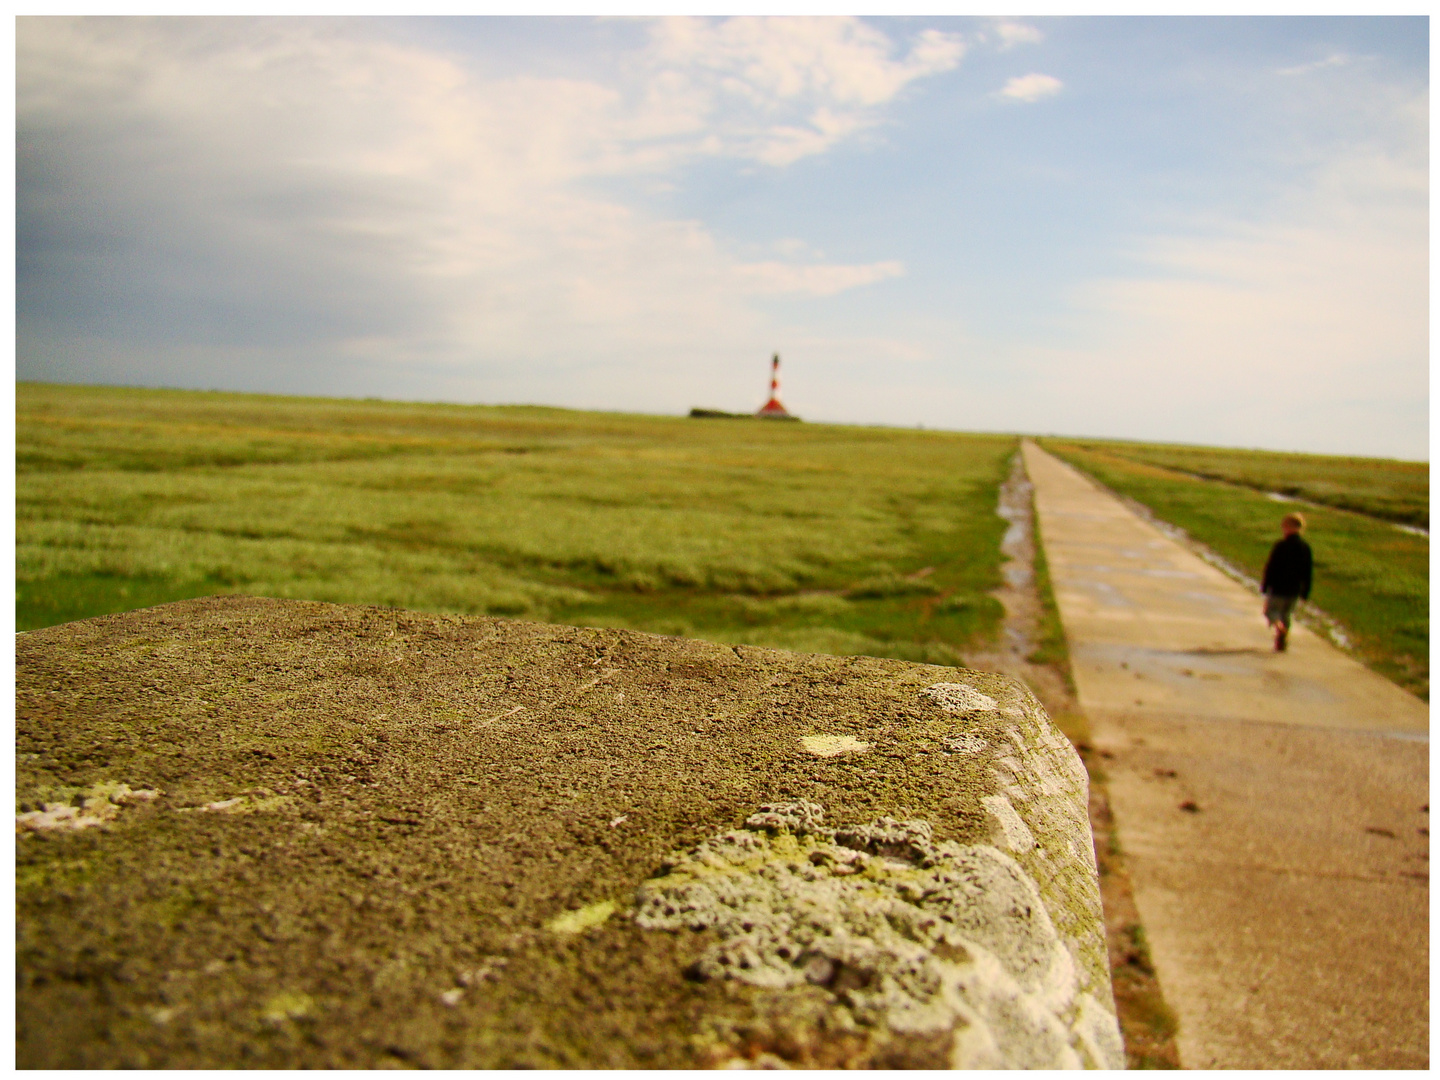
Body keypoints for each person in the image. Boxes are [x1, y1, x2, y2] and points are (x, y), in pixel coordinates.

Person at [1261, 512, 1312, 652]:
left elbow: (1271, 567)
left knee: (1271, 611)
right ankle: (1283, 638)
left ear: (1288, 527)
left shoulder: (1281, 546)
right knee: (1287, 614)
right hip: (1294, 589)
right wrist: (1305, 591)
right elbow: (1307, 572)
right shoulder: (1305, 548)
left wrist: (1265, 585)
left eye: (1284, 526)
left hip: (1278, 587)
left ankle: (1279, 628)